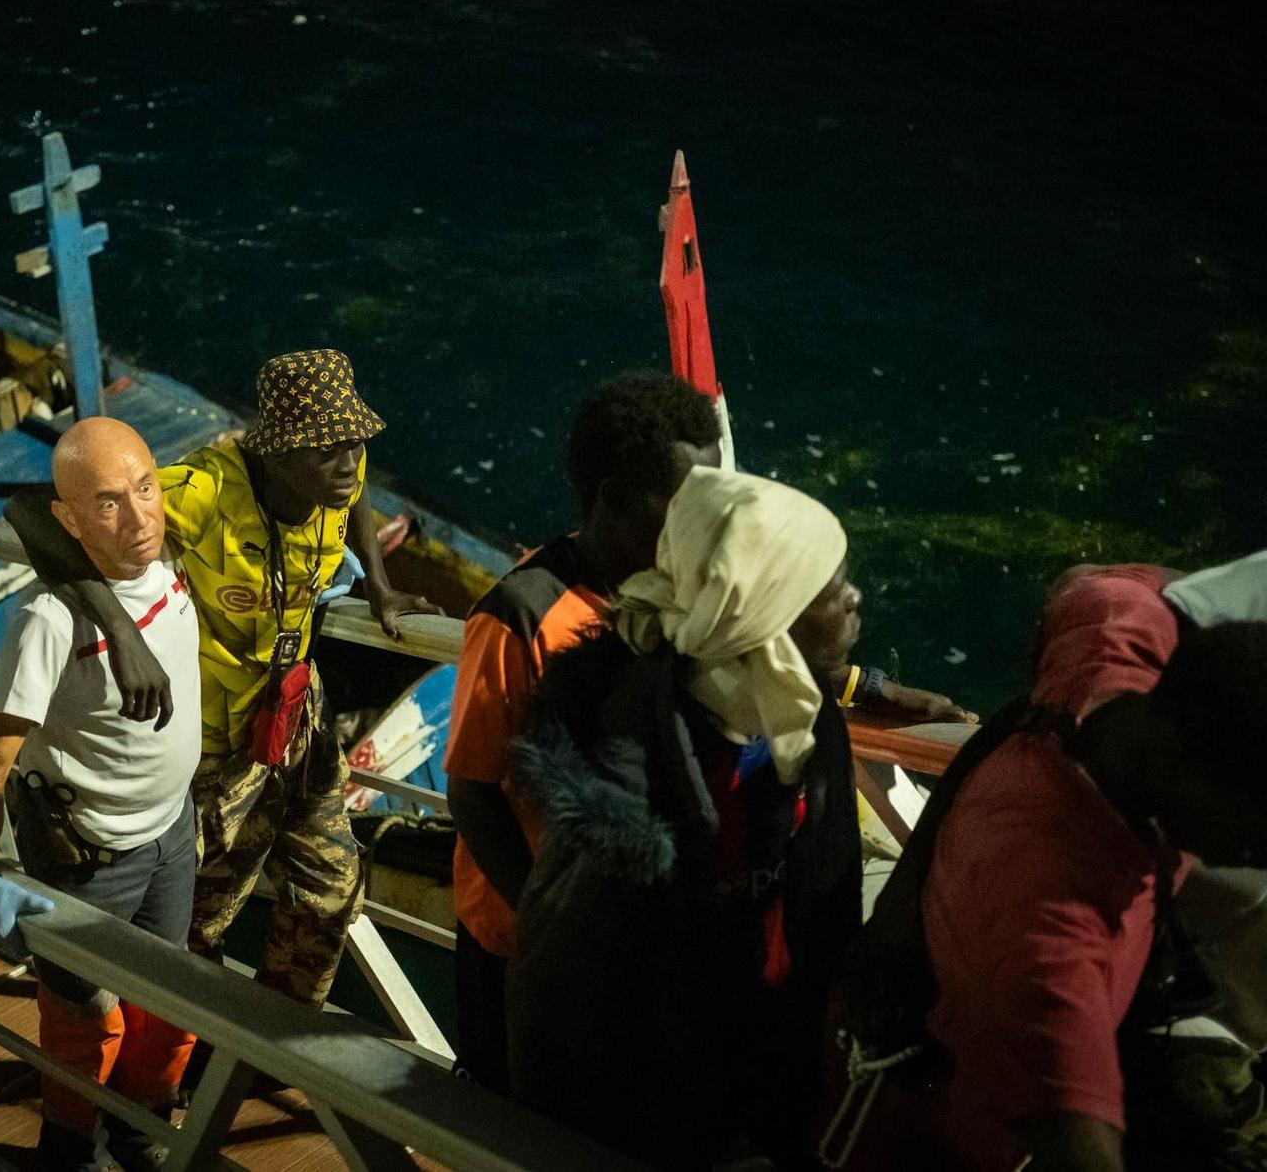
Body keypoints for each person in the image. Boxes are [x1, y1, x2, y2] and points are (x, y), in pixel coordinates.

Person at [445, 372, 967, 1095]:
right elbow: (473, 789)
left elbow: (754, 656)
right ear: (615, 499)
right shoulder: (528, 617)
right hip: (532, 937)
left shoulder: (694, 605)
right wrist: (543, 910)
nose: (706, 517)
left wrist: (863, 687)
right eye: (683, 501)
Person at [3, 348, 439, 1010]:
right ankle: (183, 1048)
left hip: (297, 718)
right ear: (278, 454)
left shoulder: (339, 468)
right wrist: (121, 633)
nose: (349, 463)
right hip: (214, 750)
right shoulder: (205, 491)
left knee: (331, 885)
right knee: (197, 918)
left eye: (355, 444)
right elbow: (34, 511)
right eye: (328, 451)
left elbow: (356, 488)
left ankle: (276, 1038)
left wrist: (378, 584)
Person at [505, 467, 866, 1169]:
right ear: (759, 604)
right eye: (828, 583)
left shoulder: (797, 713)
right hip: (642, 1092)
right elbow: (591, 987)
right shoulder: (631, 745)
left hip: (750, 1049)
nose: (854, 598)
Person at [826, 620, 1267, 1172]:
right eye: (1254, 833)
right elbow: (1076, 1142)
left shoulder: (1112, 635)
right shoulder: (1048, 922)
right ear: (1185, 763)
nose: (1254, 856)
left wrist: (902, 893)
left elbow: (1025, 711)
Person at [0, 417, 200, 1172]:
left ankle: (140, 1132)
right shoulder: (50, 619)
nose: (139, 517)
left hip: (174, 835)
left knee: (165, 1008)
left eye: (146, 488)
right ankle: (69, 1151)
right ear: (68, 517)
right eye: (107, 504)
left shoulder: (172, 550)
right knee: (80, 1020)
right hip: (93, 860)